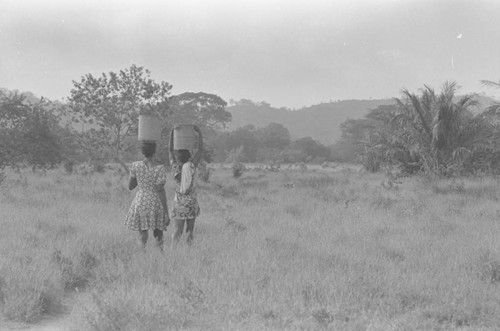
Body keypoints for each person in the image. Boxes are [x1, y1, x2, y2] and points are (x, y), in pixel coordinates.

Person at [125, 141, 170, 250]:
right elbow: (160, 190)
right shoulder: (160, 168)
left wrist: (140, 178)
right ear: (154, 152)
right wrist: (166, 212)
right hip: (155, 202)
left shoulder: (136, 165)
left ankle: (142, 256)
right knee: (158, 234)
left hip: (141, 201)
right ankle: (160, 255)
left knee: (142, 235)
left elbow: (131, 186)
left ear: (142, 152)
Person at [168, 126, 203, 245]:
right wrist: (199, 134)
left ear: (178, 158)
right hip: (191, 203)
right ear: (189, 156)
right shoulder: (192, 166)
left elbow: (170, 151)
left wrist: (172, 133)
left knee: (177, 231)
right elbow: (200, 150)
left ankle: (174, 252)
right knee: (190, 231)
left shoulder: (175, 168)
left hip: (179, 203)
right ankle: (189, 252)